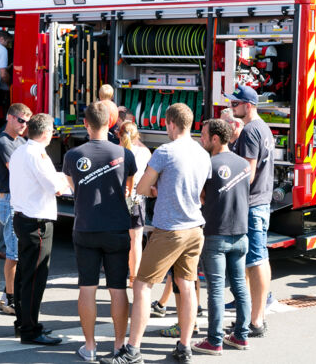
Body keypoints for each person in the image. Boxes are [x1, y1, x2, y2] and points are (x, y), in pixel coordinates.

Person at [112, 103, 211, 364]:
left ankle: (132, 349)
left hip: (170, 229)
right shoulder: (202, 153)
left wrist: (156, 190)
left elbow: (142, 188)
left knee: (143, 285)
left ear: (171, 124)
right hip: (195, 228)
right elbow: (199, 189)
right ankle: (184, 346)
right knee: (186, 285)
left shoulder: (165, 151)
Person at [63, 102, 136, 362]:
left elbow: (72, 187)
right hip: (116, 227)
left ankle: (90, 346)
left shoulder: (72, 155)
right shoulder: (125, 154)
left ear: (85, 124)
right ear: (111, 124)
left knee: (87, 287)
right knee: (117, 289)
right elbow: (128, 189)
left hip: (86, 227)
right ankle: (118, 346)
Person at [9, 113, 71, 346]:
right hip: (36, 221)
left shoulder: (21, 150)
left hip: (24, 216)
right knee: (35, 277)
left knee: (25, 275)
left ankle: (24, 322)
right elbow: (55, 186)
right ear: (46, 133)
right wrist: (66, 180)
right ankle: (30, 329)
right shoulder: (37, 154)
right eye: (52, 130)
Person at [193, 119, 253, 354]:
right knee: (239, 286)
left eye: (204, 135)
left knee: (216, 289)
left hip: (216, 233)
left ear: (215, 138)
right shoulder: (244, 164)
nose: (201, 139)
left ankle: (214, 341)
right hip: (240, 233)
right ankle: (241, 336)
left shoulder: (208, 164)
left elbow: (201, 197)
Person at [227, 85, 274, 337]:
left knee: (255, 260)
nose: (233, 108)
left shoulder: (250, 132)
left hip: (253, 203)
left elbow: (248, 173)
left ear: (249, 105)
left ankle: (256, 321)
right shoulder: (263, 128)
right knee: (258, 258)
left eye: (236, 104)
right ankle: (256, 317)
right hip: (262, 201)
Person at [0, 103, 31, 315]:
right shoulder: (4, 142)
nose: (24, 125)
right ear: (9, 118)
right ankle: (10, 298)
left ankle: (8, 292)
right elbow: (16, 169)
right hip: (9, 199)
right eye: (20, 120)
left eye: (27, 122)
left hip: (17, 199)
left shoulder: (22, 141)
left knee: (18, 251)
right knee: (14, 253)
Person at [118, 121, 151, 287]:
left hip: (118, 197)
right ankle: (133, 278)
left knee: (118, 239)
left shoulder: (116, 152)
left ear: (119, 134)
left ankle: (116, 274)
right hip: (136, 198)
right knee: (136, 240)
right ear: (137, 134)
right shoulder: (145, 152)